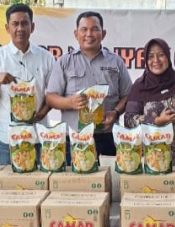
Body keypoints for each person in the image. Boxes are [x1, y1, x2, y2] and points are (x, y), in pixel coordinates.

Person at [46, 11, 133, 156]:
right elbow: (50, 97)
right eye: (84, 29)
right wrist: (70, 102)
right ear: (76, 34)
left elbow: (128, 95)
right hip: (74, 138)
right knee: (75, 179)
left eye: (94, 29)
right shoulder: (65, 62)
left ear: (103, 34)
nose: (89, 34)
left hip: (108, 137)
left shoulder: (115, 61)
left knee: (109, 178)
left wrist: (116, 112)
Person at [0, 3, 56, 167]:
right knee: (8, 188)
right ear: (7, 28)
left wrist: (42, 113)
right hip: (8, 139)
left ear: (32, 26)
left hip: (38, 136)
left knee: (39, 186)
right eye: (15, 24)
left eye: (24, 23)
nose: (20, 28)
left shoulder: (46, 58)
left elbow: (52, 94)